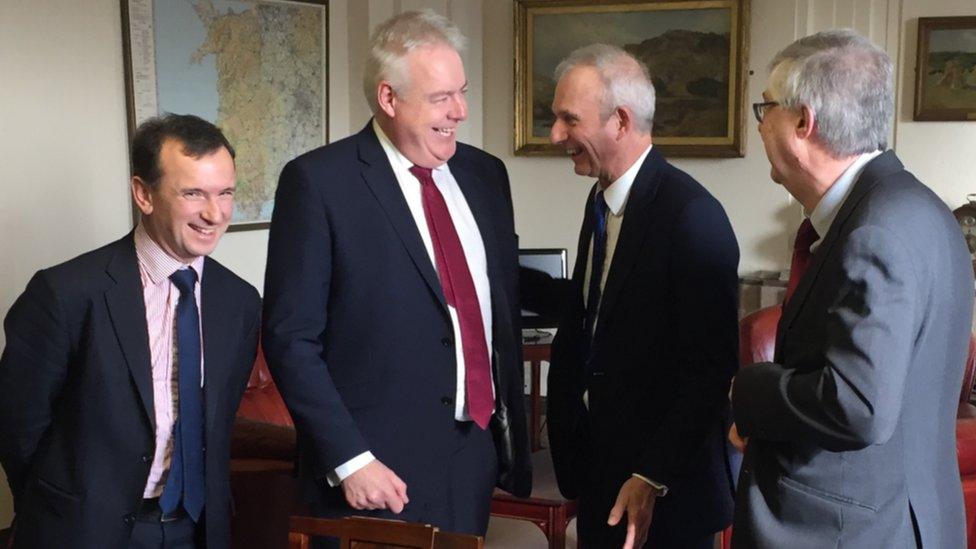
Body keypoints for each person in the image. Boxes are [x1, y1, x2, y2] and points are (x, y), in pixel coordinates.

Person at [262, 9, 531, 538]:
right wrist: (349, 459)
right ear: (389, 98)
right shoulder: (319, 183)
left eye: (462, 91)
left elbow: (494, 292)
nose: (461, 111)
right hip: (373, 471)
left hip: (473, 455)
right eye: (440, 98)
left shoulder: (485, 175)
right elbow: (291, 337)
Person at [729, 29, 973, 548]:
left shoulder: (875, 230)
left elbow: (856, 406)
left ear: (803, 121)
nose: (760, 125)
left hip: (847, 530)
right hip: (895, 515)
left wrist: (748, 392)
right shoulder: (916, 206)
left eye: (764, 108)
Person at [0, 113, 261, 548]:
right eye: (193, 193)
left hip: (196, 528)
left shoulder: (240, 302)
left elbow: (218, 422)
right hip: (83, 531)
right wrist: (60, 508)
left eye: (225, 193)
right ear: (143, 194)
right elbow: (16, 424)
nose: (214, 214)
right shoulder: (66, 292)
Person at [529, 44, 739, 548]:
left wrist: (651, 477)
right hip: (603, 467)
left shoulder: (692, 217)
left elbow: (708, 373)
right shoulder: (600, 200)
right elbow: (593, 309)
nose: (556, 135)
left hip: (665, 491)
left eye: (568, 119)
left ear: (620, 121)